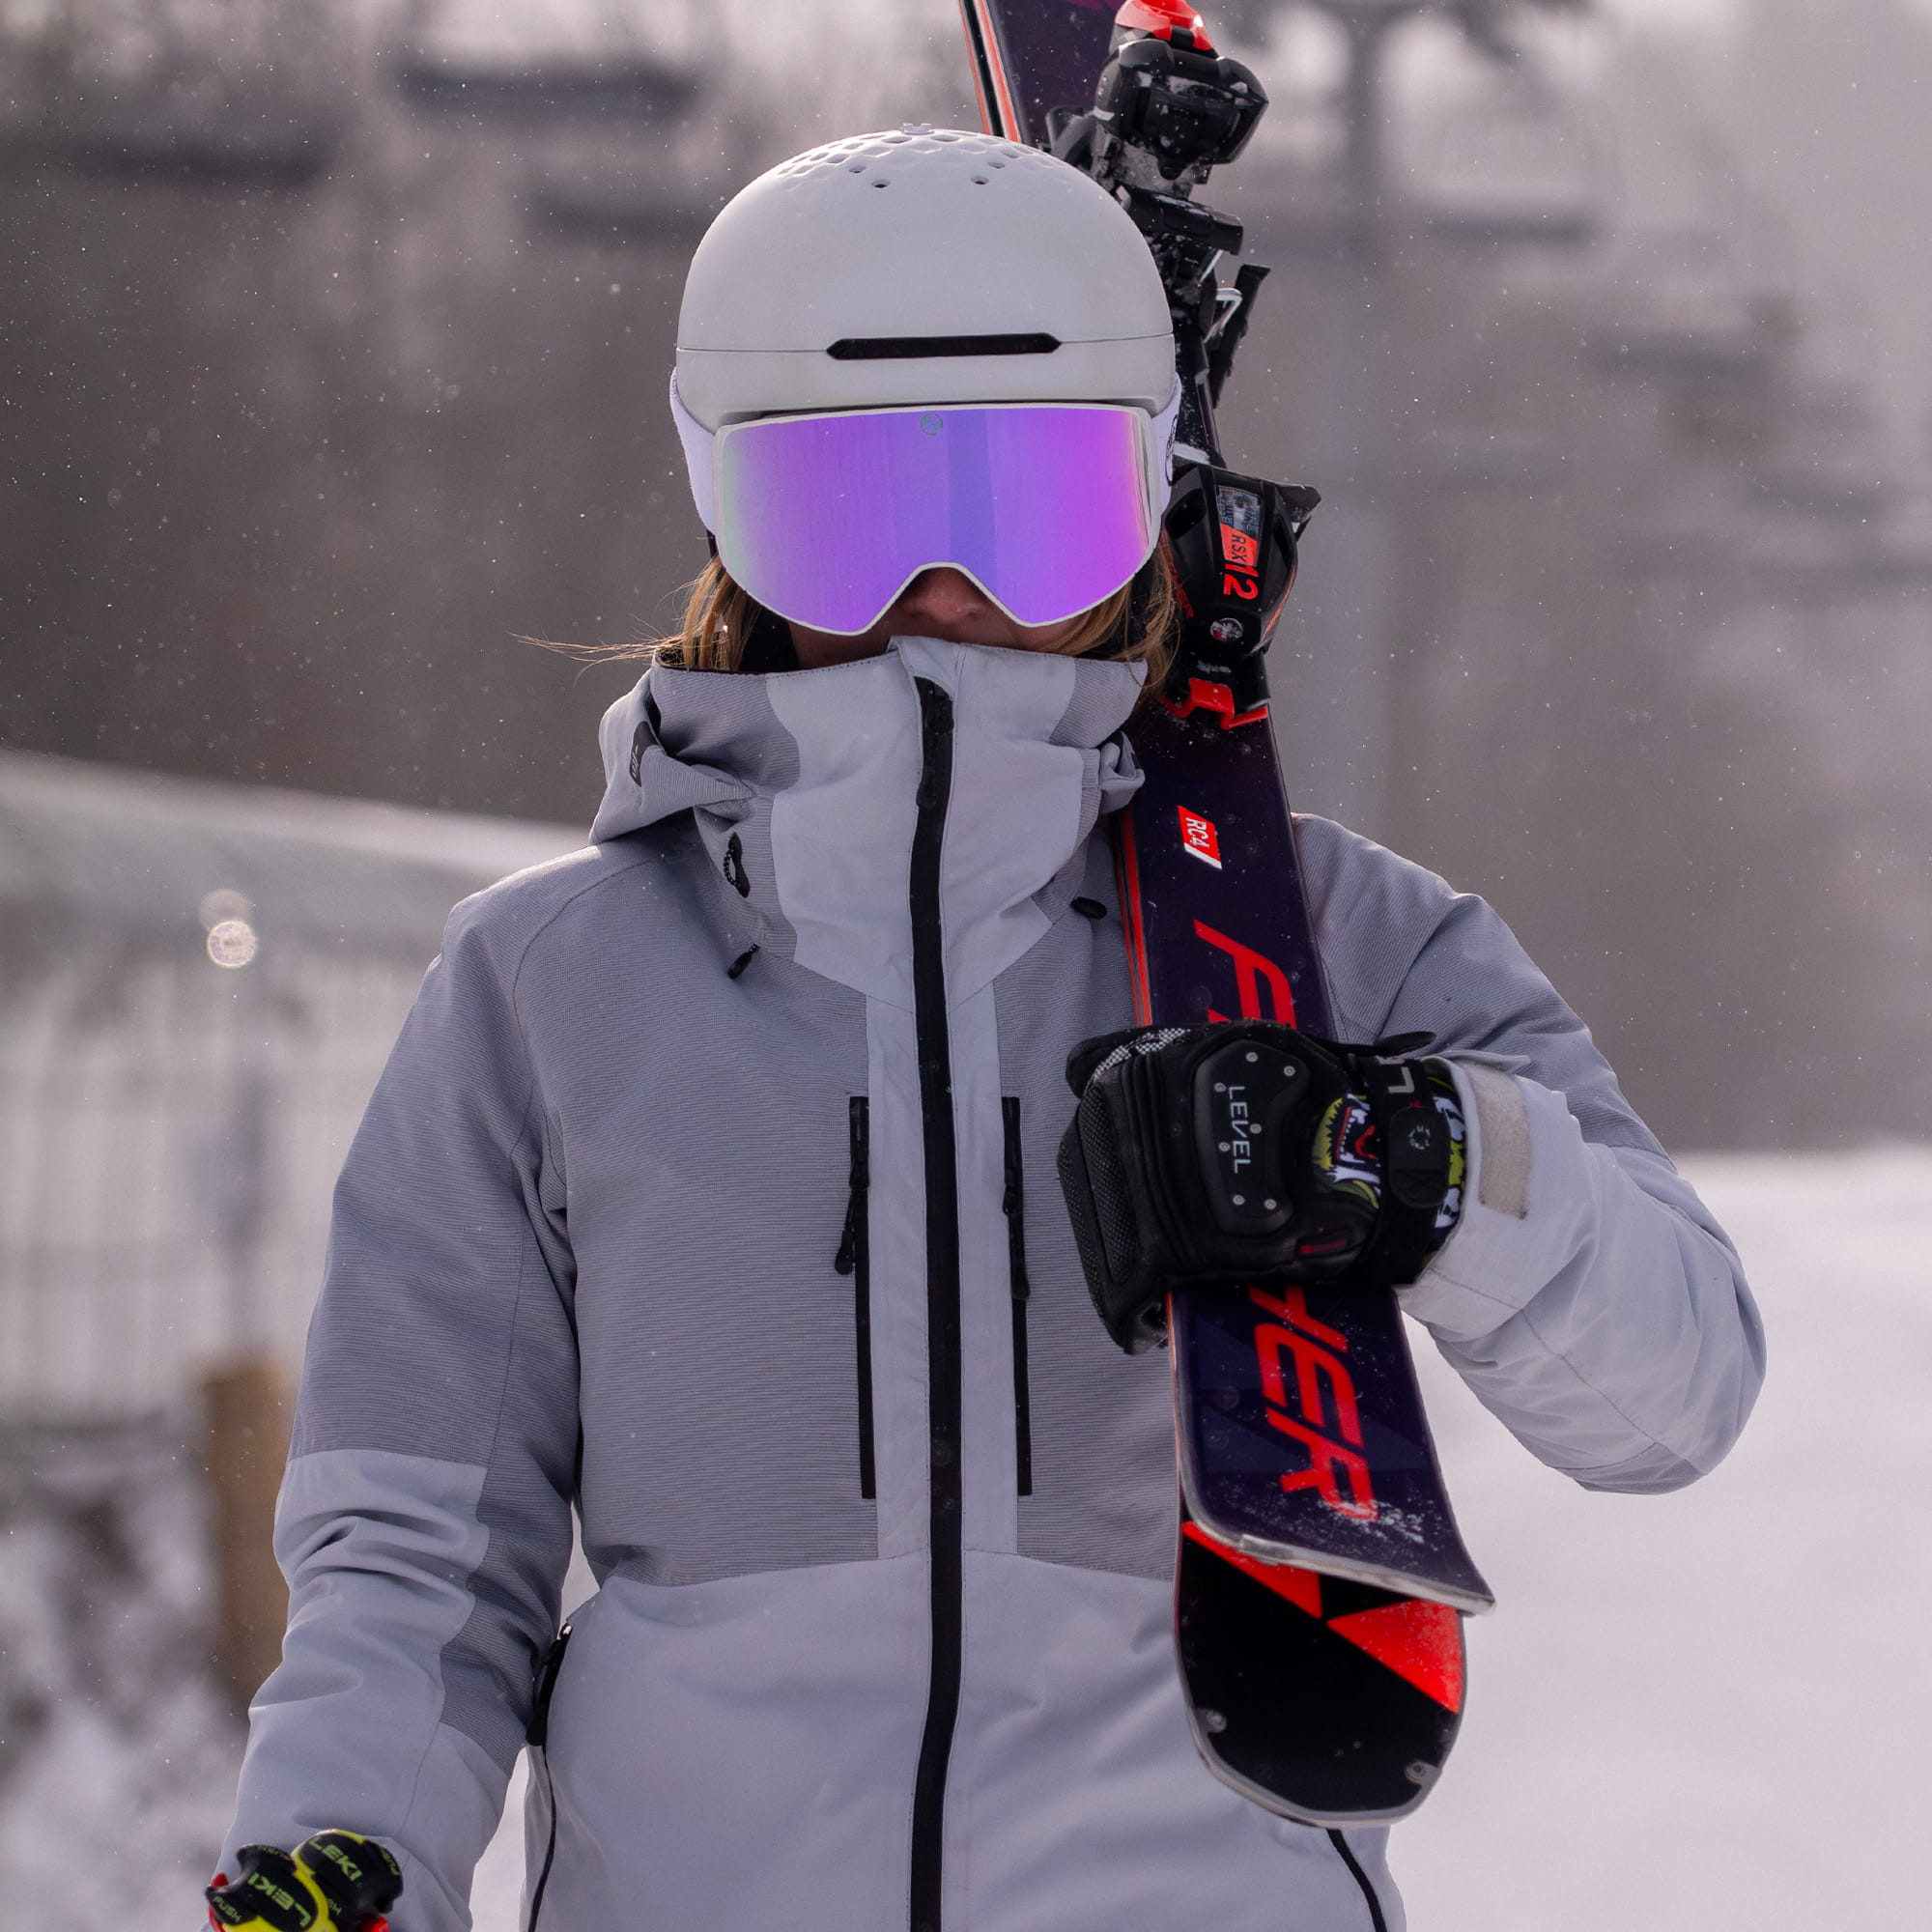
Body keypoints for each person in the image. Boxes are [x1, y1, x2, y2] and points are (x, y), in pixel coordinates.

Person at [213, 127, 1764, 1932]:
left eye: (1028, 512)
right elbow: (417, 1551)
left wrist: (1410, 1165)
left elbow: (1679, 1393)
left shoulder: (1336, 945)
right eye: (848, 512)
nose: (941, 595)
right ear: (726, 515)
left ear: (1139, 502)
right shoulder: (550, 986)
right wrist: (345, 1859)